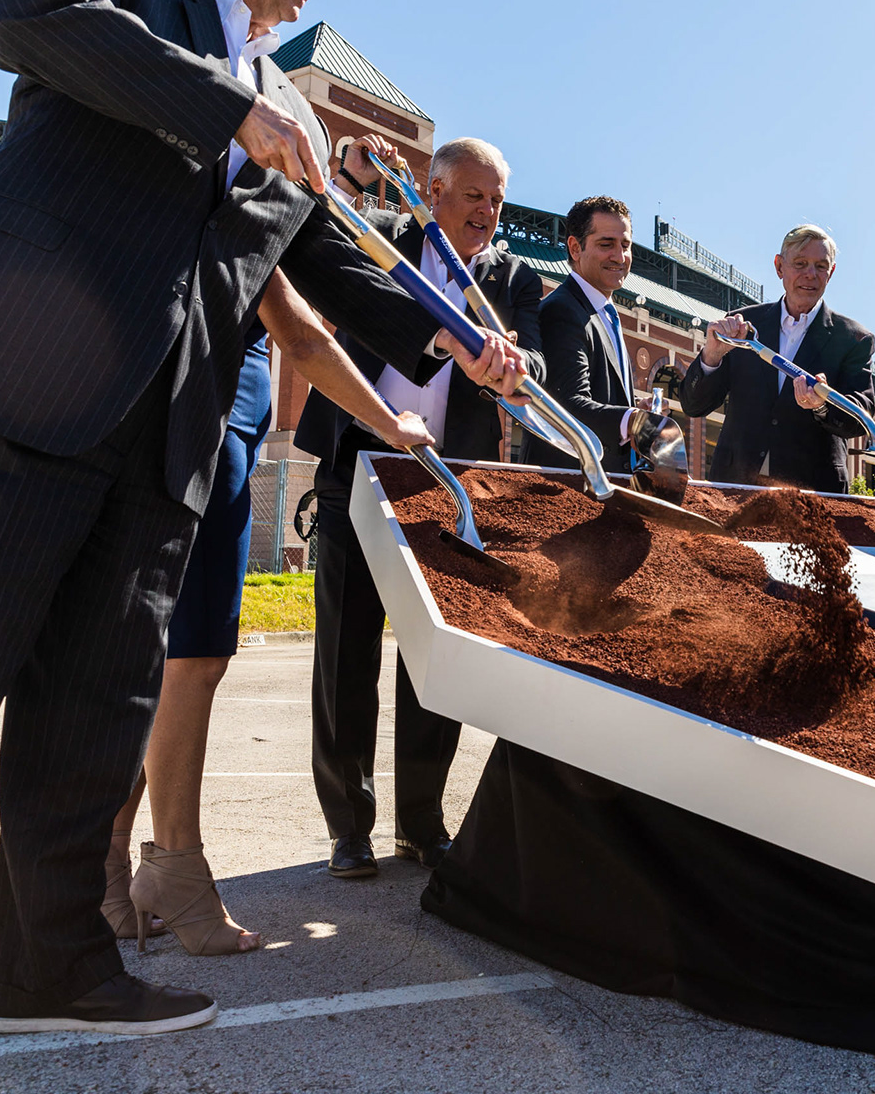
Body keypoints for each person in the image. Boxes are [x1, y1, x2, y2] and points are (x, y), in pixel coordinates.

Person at [0, 0, 526, 1089]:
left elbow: (317, 261)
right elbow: (23, 17)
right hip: (14, 379)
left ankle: (54, 969)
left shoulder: (281, 117)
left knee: (93, 713)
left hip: (163, 443)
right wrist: (226, 105)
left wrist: (456, 336)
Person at [102, 268, 437, 954]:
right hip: (202, 406)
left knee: (176, 655)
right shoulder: (253, 185)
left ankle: (107, 870)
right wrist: (386, 419)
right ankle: (174, 866)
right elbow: (302, 331)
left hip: (215, 405)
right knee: (192, 654)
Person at [293, 134, 545, 881]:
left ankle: (420, 822)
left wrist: (515, 364)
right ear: (433, 192)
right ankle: (349, 826)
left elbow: (525, 355)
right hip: (358, 463)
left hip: (447, 481)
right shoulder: (381, 240)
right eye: (474, 195)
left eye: (497, 200)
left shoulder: (513, 277)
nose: (487, 213)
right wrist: (350, 167)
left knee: (432, 656)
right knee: (345, 650)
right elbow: (322, 236)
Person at [680, 225, 874, 493]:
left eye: (820, 266)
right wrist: (711, 356)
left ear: (831, 272)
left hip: (812, 494)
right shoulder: (743, 326)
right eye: (800, 263)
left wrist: (821, 405)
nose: (810, 274)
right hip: (734, 484)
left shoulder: (854, 339)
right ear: (779, 266)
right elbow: (693, 406)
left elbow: (861, 416)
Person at [536, 196, 641, 474]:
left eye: (625, 245)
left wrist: (634, 408)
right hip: (567, 487)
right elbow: (566, 405)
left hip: (605, 485)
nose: (619, 257)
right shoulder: (561, 310)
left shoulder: (606, 311)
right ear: (575, 247)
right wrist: (632, 420)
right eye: (606, 244)